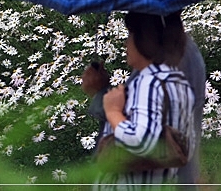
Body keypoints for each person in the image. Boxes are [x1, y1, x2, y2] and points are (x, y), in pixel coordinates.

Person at [83, 11, 197, 189]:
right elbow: (185, 144)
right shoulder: (177, 82)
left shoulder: (149, 82)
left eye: (131, 35)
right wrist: (102, 90)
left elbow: (142, 140)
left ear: (145, 40)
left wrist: (113, 111)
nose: (126, 42)